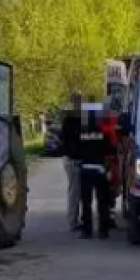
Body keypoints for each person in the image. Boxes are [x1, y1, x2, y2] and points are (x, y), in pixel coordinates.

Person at [77, 101, 116, 239]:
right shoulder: (103, 133)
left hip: (85, 169)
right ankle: (103, 231)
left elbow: (76, 152)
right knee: (102, 201)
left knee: (86, 202)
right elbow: (111, 150)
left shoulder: (82, 134)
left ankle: (87, 231)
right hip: (100, 170)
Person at [60, 92, 83, 231]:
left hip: (71, 159)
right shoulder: (71, 121)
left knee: (75, 191)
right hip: (73, 160)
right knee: (75, 192)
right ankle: (72, 222)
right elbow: (74, 143)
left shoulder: (71, 120)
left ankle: (74, 220)